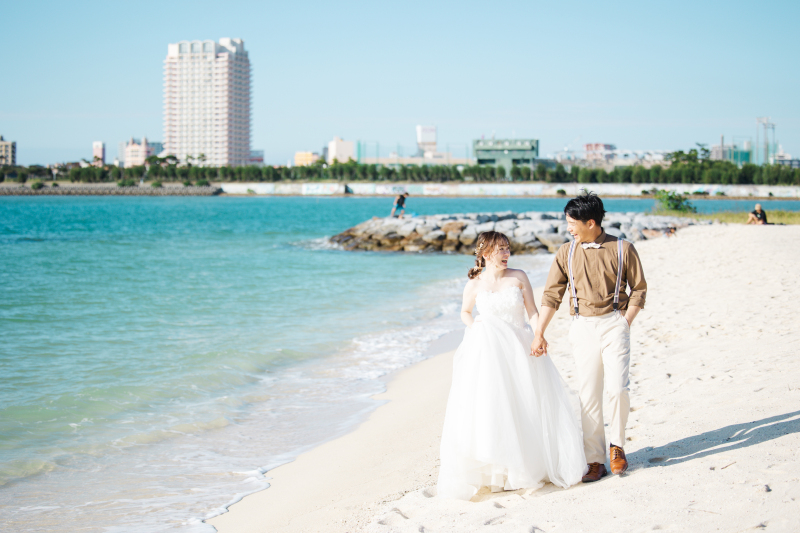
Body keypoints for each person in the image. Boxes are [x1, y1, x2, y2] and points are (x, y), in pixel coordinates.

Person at [437, 231, 587, 500]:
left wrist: (539, 335)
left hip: (519, 346)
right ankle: (499, 470)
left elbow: (532, 310)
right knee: (493, 408)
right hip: (489, 351)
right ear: (485, 254)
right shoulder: (473, 283)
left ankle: (528, 466)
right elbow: (465, 312)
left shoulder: (519, 277)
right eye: (501, 250)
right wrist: (476, 329)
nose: (506, 254)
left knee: (526, 403)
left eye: (508, 249)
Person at [532, 192, 647, 483]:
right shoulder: (566, 253)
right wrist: (539, 332)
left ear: (591, 222)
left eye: (572, 222)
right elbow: (551, 295)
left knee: (618, 387)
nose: (568, 227)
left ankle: (617, 446)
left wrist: (626, 322)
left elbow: (640, 289)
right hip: (581, 325)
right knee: (588, 394)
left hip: (614, 323)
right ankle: (595, 459)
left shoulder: (624, 248)